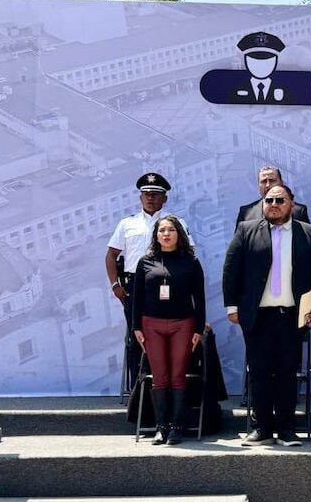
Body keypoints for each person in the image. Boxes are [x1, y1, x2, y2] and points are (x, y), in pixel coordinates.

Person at [223, 184, 311, 447]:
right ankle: (261, 428)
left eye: (279, 200)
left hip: (292, 317)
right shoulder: (246, 230)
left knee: (287, 373)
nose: (273, 205)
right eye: (269, 200)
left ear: (291, 204)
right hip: (256, 317)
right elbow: (231, 270)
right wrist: (232, 307)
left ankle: (286, 428)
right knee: (259, 372)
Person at [105, 173, 195, 389]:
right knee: (137, 338)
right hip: (135, 286)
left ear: (165, 198)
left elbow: (189, 254)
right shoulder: (128, 224)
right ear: (140, 197)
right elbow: (111, 255)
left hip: (168, 285)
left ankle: (168, 387)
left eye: (155, 194)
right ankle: (139, 390)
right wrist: (115, 285)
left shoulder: (175, 223)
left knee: (169, 336)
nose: (150, 198)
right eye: (146, 194)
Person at [131, 215, 205, 445]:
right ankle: (161, 426)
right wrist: (136, 327)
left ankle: (176, 427)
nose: (166, 234)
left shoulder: (191, 262)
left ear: (178, 234)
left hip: (182, 324)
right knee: (160, 377)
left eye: (170, 230)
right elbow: (137, 298)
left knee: (177, 376)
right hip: (151, 325)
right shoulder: (145, 262)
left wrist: (198, 329)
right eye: (161, 230)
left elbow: (199, 299)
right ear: (156, 235)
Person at [236, 166, 310, 225]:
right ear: (258, 185)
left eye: (272, 180)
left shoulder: (298, 211)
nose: (268, 185)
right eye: (264, 181)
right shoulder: (246, 213)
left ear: (281, 183)